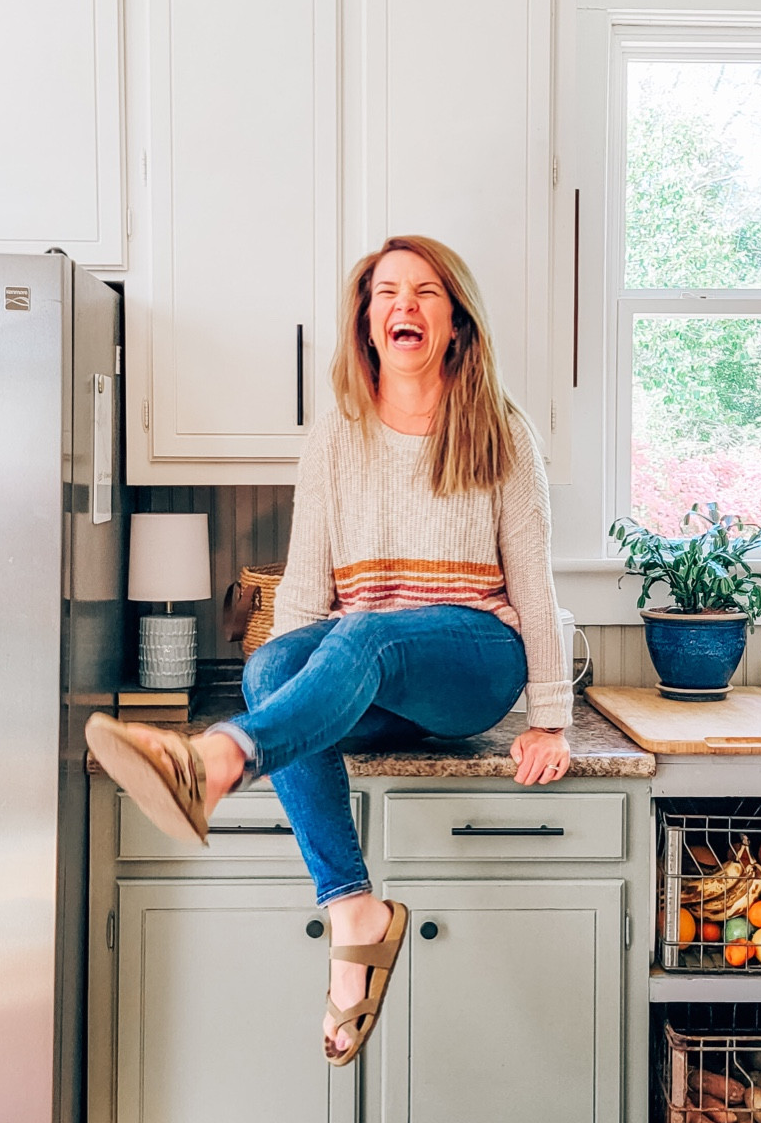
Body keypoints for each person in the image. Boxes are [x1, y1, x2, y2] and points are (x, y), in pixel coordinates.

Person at [86, 236, 572, 1065]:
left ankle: (216, 761)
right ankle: (354, 912)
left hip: (475, 663)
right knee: (273, 665)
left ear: (455, 321)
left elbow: (535, 576)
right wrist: (272, 678)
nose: (404, 306)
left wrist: (551, 719)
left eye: (425, 293)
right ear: (366, 319)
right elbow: (305, 591)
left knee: (365, 632)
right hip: (371, 676)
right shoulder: (337, 435)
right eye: (387, 293)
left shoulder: (498, 428)